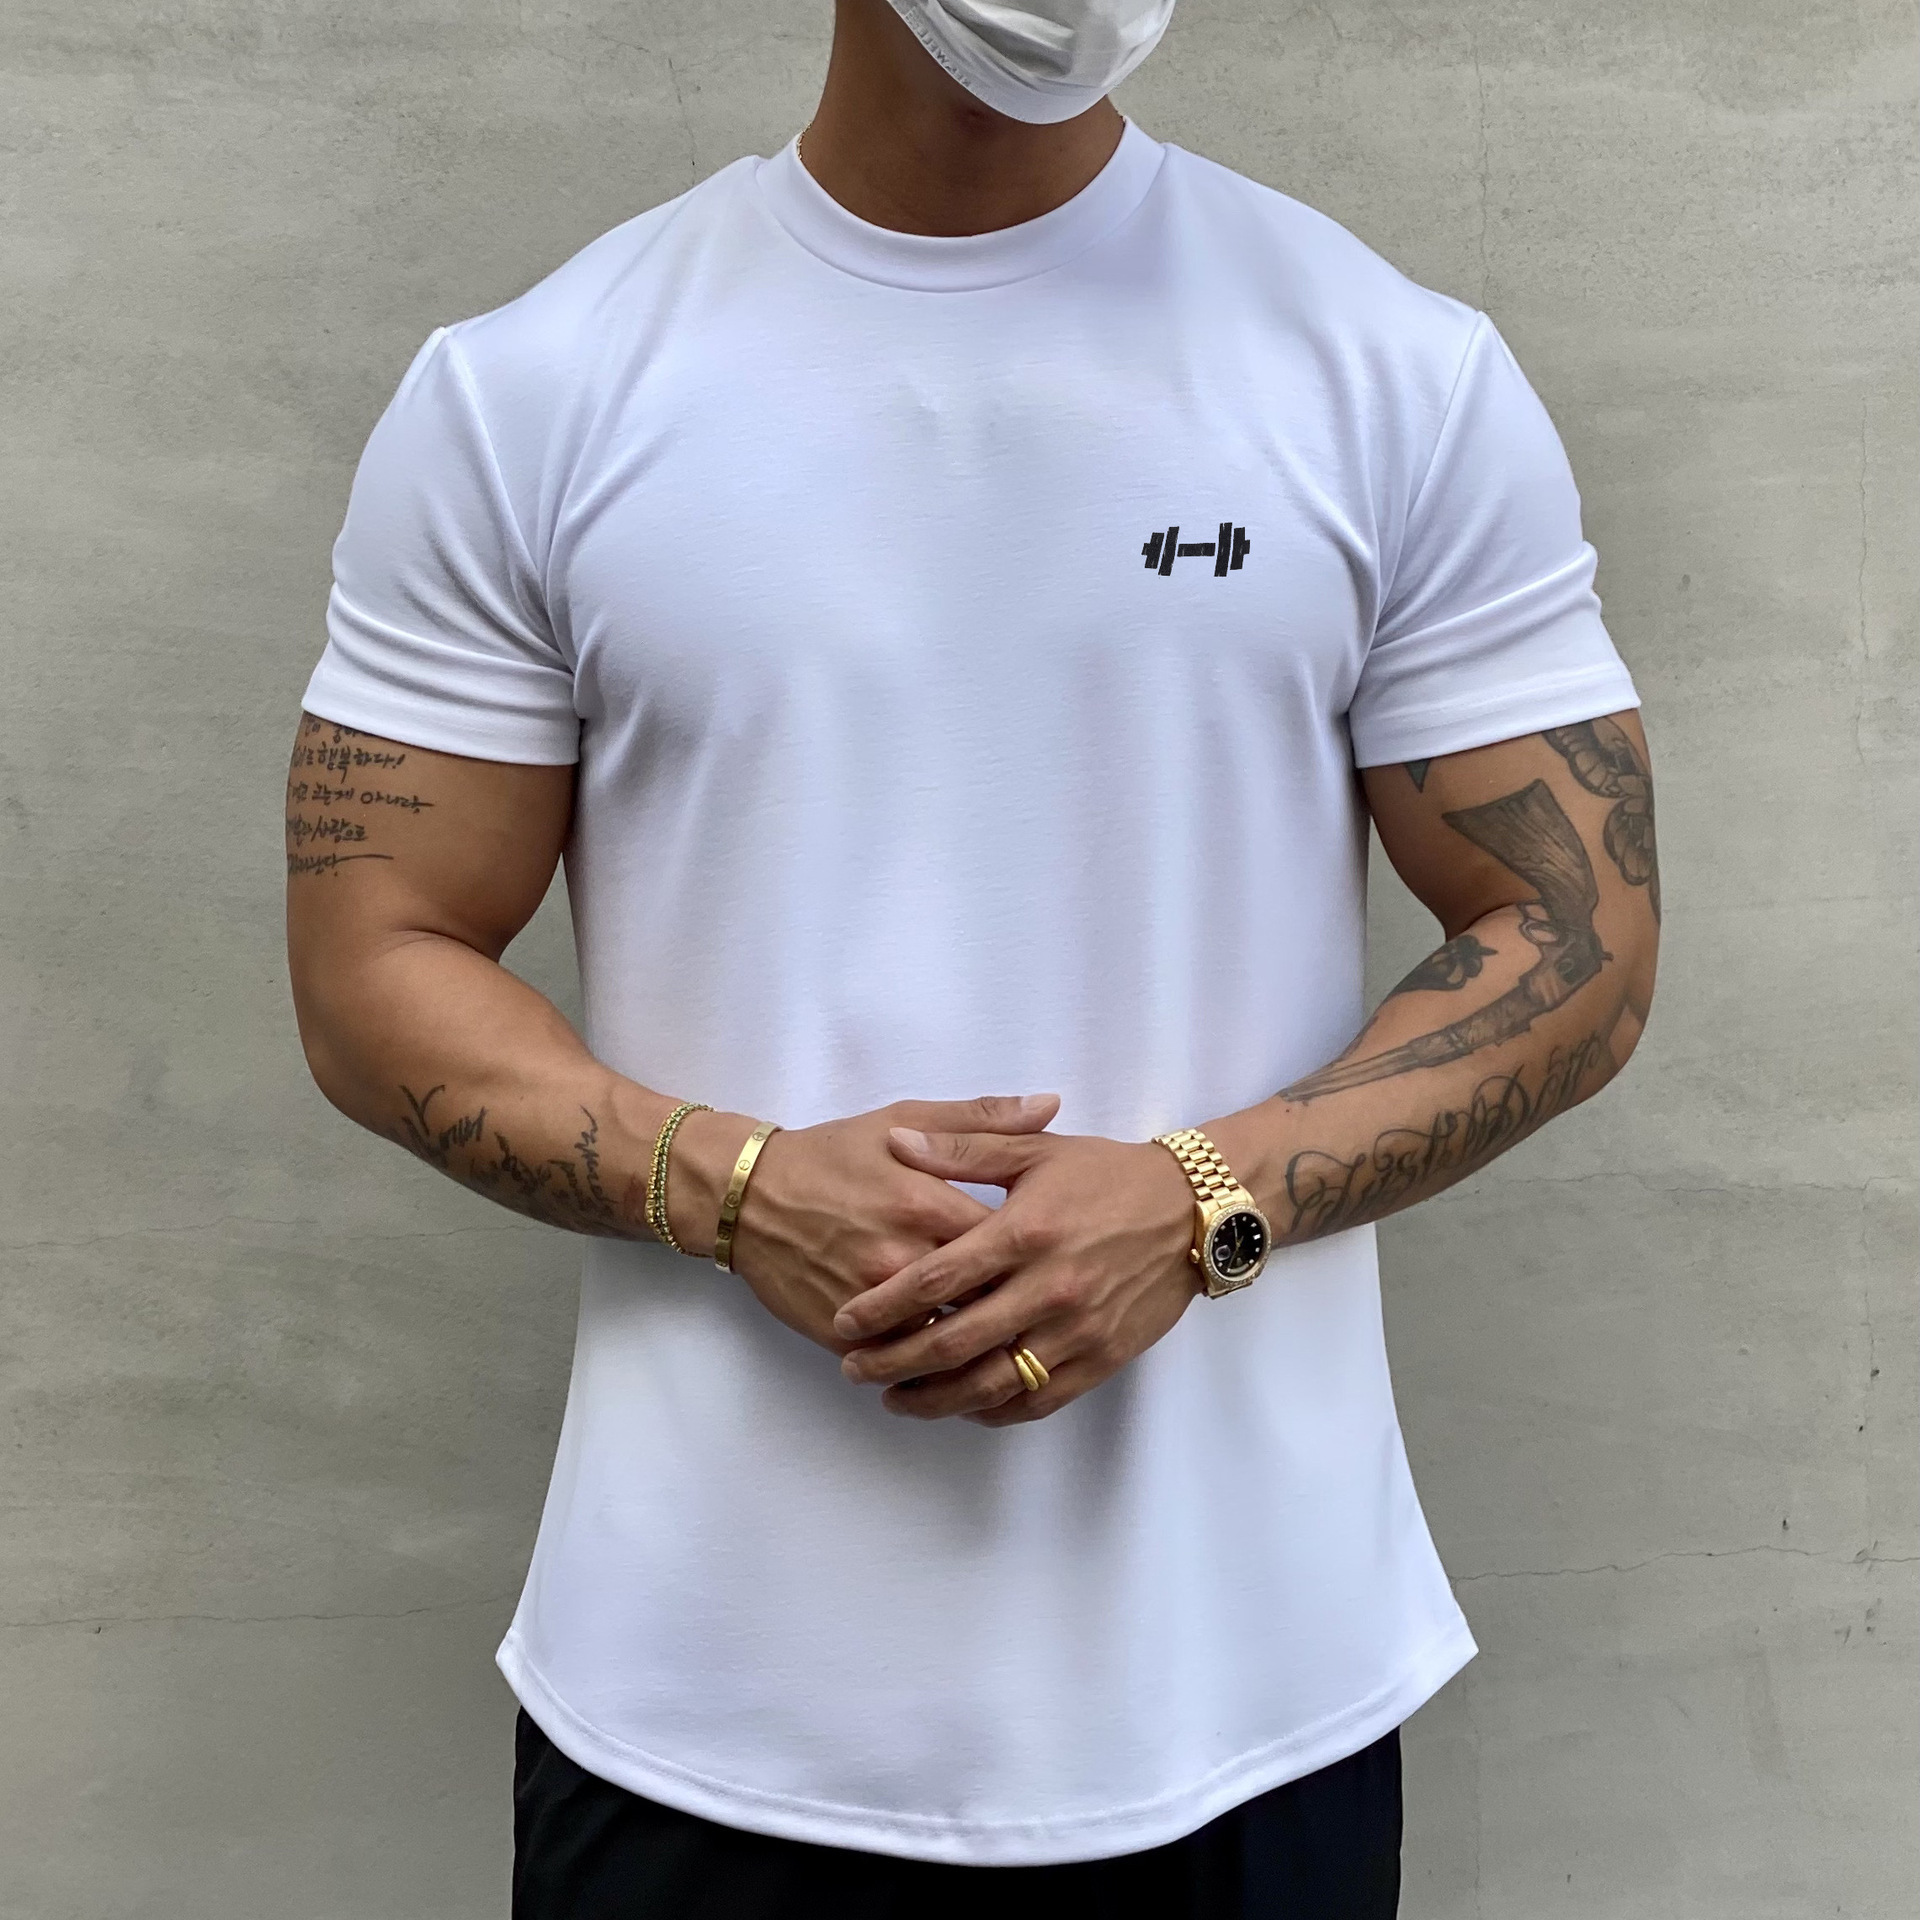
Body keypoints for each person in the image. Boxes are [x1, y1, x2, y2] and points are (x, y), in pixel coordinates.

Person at [285, 1, 1660, 1912]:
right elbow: (375, 960)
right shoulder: (536, 388)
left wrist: (1199, 1202)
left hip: (1245, 1694)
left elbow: (1580, 930)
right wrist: (734, 1186)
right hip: (699, 1698)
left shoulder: (1387, 371)